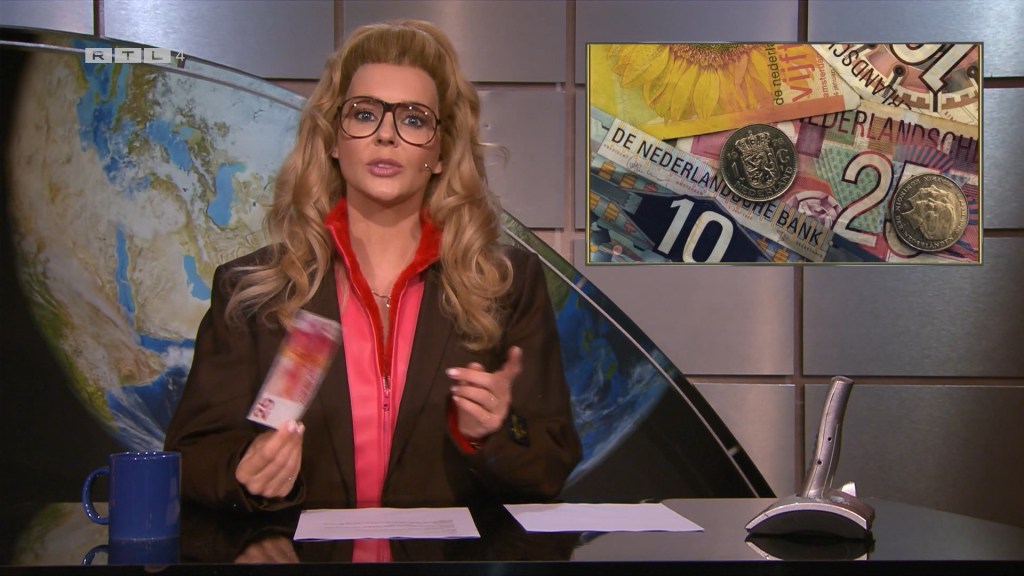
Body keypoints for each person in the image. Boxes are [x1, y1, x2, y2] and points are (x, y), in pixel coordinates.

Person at [164, 19, 582, 515]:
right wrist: (245, 470)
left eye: (413, 120)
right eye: (364, 114)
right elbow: (191, 457)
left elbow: (550, 469)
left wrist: (488, 434)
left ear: (441, 152)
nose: (386, 136)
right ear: (333, 141)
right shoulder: (252, 290)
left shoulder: (507, 285)